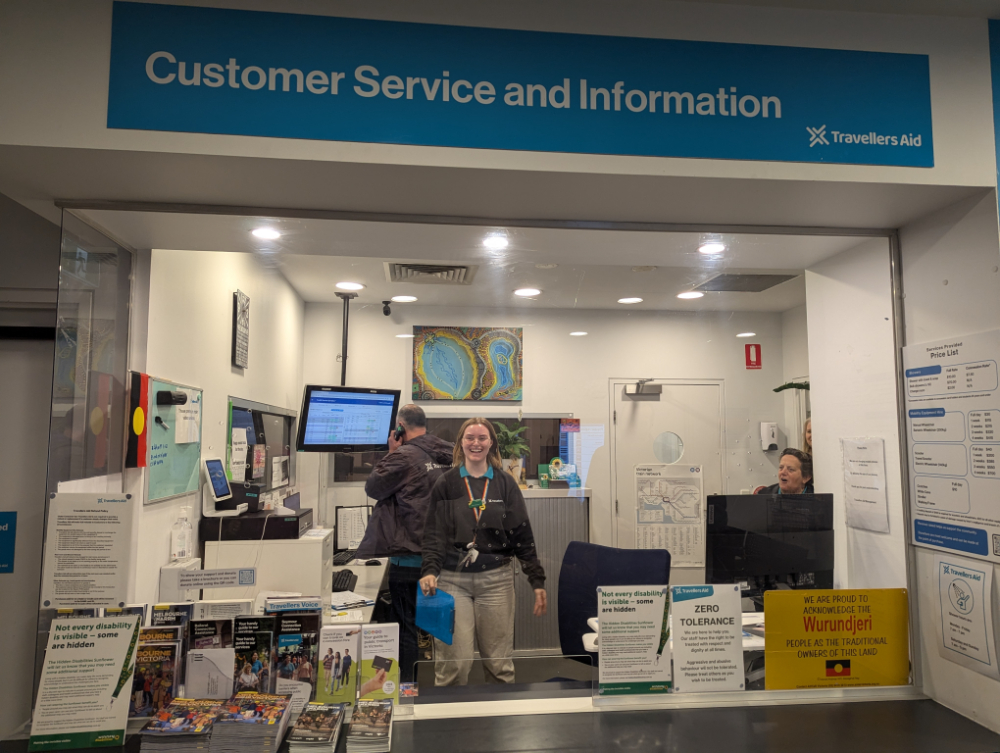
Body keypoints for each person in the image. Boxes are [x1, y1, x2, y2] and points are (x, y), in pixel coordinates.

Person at [419, 417, 547, 686]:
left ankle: (501, 727)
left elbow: (522, 535)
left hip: (497, 581)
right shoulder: (446, 483)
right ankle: (449, 725)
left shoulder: (505, 484)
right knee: (454, 666)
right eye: (470, 438)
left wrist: (536, 579)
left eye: (481, 438)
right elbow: (434, 534)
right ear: (461, 443)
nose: (475, 443)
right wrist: (429, 570)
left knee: (499, 666)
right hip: (452, 580)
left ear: (491, 443)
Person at [356, 404, 454, 684]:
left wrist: (391, 451)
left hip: (410, 558)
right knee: (440, 626)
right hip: (443, 556)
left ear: (400, 427)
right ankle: (444, 687)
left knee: (407, 627)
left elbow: (374, 488)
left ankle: (409, 689)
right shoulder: (448, 452)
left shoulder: (402, 456)